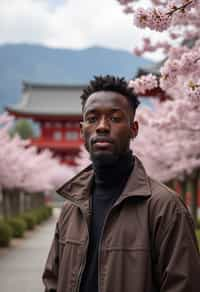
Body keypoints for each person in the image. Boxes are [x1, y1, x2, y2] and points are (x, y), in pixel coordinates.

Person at [43, 75, 200, 292]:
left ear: (134, 129)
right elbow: (52, 281)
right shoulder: (72, 208)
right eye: (92, 119)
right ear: (81, 130)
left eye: (115, 119)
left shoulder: (164, 207)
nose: (102, 127)